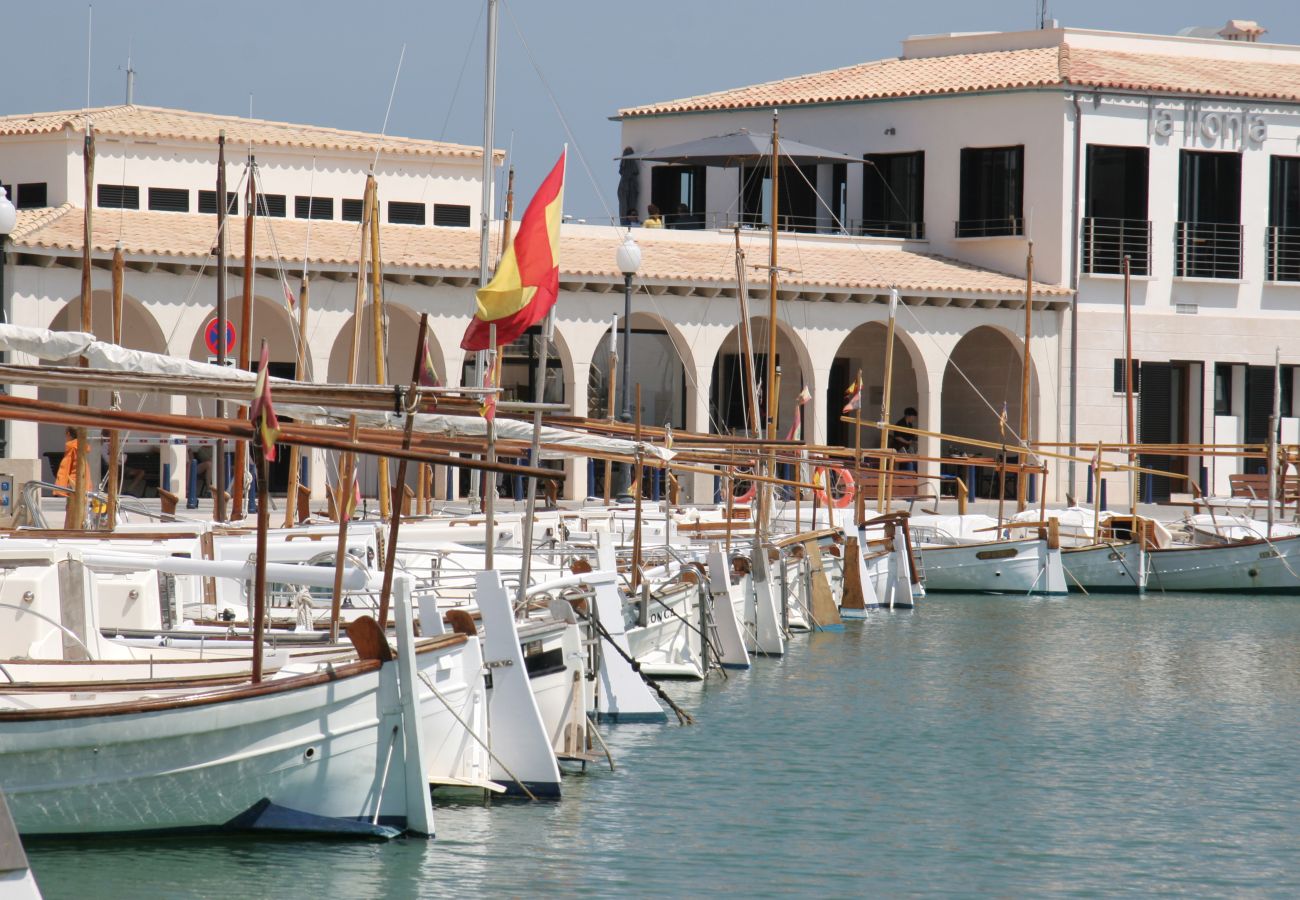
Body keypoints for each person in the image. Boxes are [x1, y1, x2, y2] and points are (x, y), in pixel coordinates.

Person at [890, 407, 919, 471]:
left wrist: (916, 440)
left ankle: (915, 475)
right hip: (898, 447)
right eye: (913, 417)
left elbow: (911, 435)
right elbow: (897, 437)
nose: (914, 418)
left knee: (915, 459)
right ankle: (910, 477)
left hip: (906, 447)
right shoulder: (899, 424)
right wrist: (907, 442)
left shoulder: (909, 424)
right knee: (909, 462)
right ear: (908, 416)